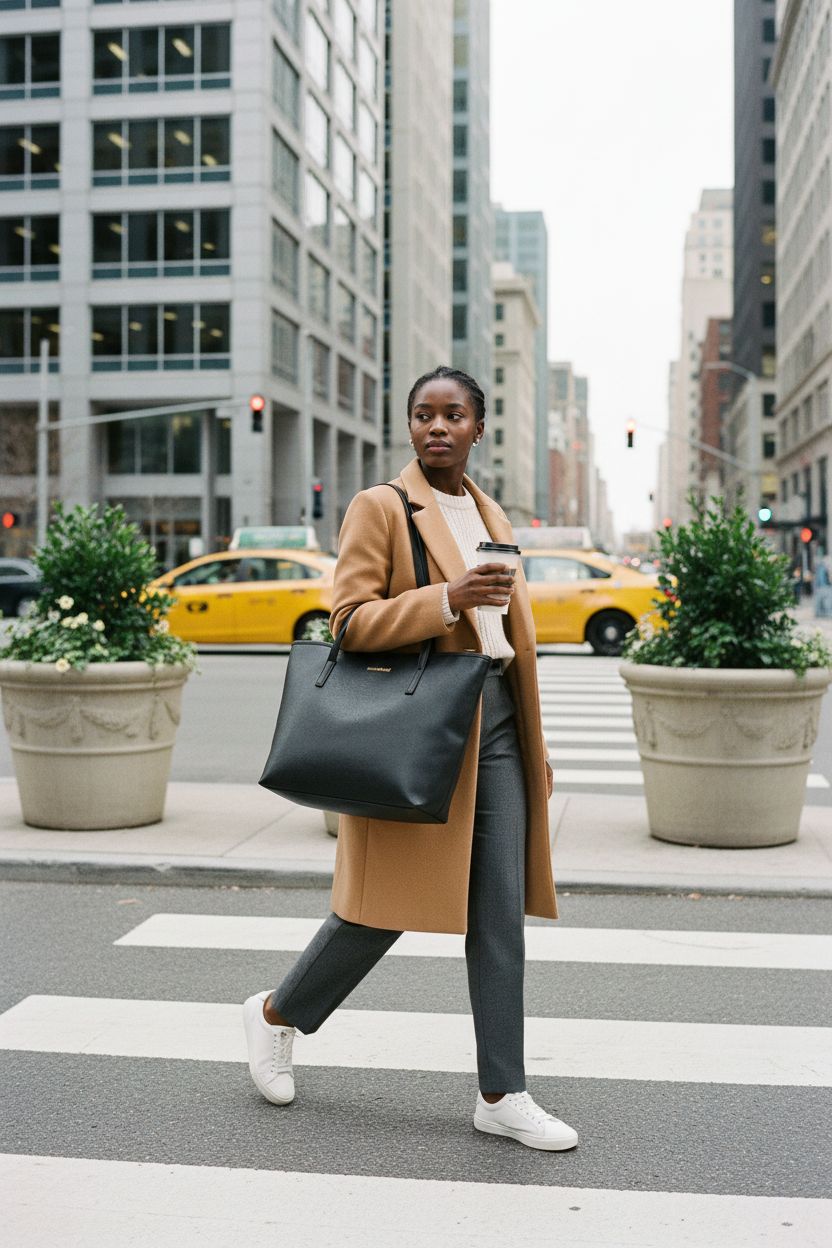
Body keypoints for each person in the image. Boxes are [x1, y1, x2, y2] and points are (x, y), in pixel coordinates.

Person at [243, 365, 577, 1152]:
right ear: (410, 427)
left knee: (497, 914)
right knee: (380, 910)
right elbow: (348, 622)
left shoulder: (488, 509)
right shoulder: (380, 508)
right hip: (419, 722)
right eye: (423, 415)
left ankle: (502, 1091)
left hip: (493, 723)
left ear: (477, 428)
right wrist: (447, 600)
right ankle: (274, 1015)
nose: (436, 427)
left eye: (453, 415)